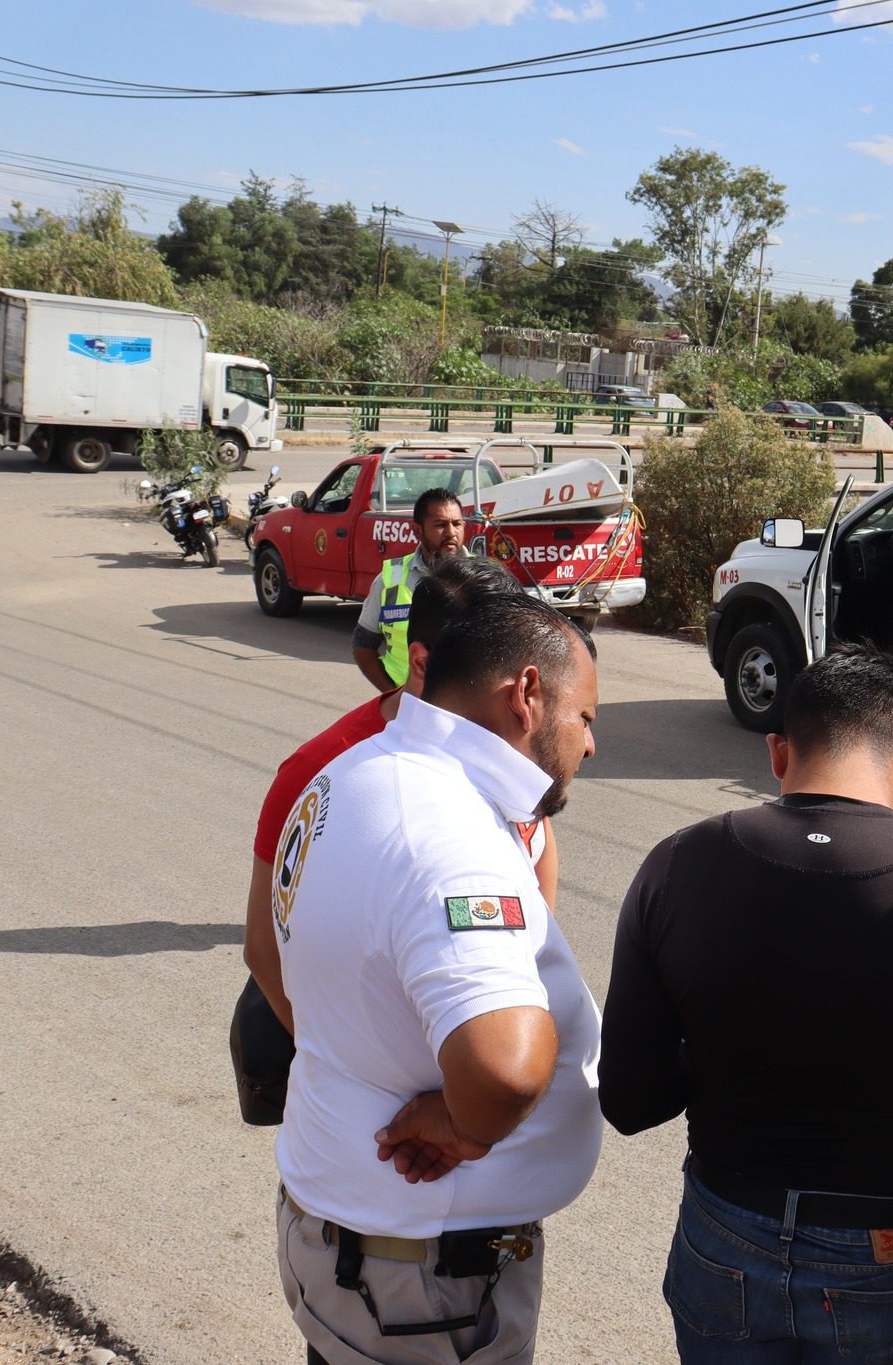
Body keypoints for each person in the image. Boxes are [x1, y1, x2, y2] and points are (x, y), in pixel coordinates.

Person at [601, 644, 893, 1364]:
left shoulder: (677, 863)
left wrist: (722, 1046)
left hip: (727, 1234)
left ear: (778, 752)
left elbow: (628, 1099)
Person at [273, 594, 604, 1364]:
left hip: (359, 1238)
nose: (591, 745)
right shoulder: (446, 830)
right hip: (422, 1275)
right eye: (585, 717)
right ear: (526, 697)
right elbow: (502, 1067)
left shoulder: (351, 772)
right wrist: (465, 1124)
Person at [243, 557, 557, 1045]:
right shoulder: (317, 770)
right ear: (422, 662)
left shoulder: (511, 759)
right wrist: (352, 1068)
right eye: (484, 670)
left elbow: (536, 934)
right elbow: (264, 949)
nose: (516, 698)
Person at [354, 487, 467, 694]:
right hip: (409, 704)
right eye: (441, 525)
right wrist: (393, 697)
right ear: (417, 530)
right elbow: (363, 645)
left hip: (466, 711)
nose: (451, 533)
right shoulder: (390, 579)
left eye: (457, 524)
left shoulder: (486, 578)